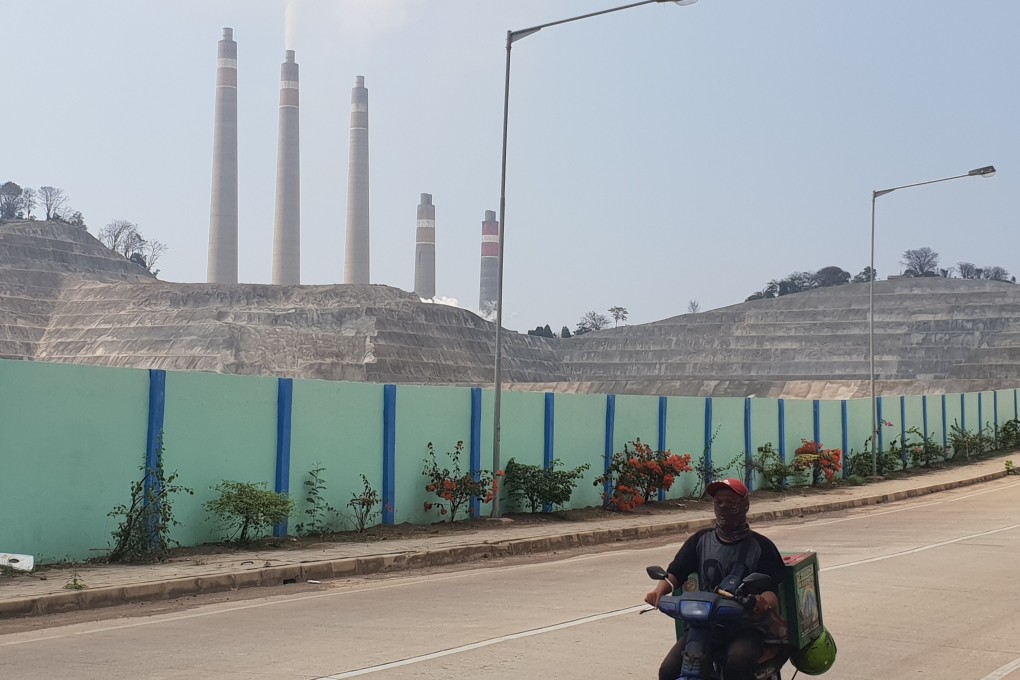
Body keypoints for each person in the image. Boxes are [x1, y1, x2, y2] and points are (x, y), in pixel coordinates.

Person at [644, 478, 786, 680]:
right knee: (668, 670)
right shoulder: (700, 539)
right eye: (718, 502)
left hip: (745, 627)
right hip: (704, 624)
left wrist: (763, 602)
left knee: (737, 663)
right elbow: (676, 571)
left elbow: (770, 588)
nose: (723, 508)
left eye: (730, 503)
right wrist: (658, 592)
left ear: (745, 506)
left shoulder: (761, 546)